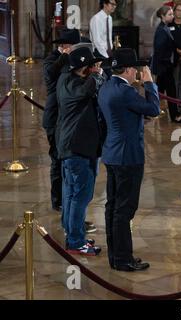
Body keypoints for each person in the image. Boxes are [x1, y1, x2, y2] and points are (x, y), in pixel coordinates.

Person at [98, 48, 160, 271]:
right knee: (125, 209)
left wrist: (136, 121)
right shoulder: (126, 92)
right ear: (127, 69)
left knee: (112, 206)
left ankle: (115, 256)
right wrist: (150, 84)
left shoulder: (106, 87)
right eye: (136, 67)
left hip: (112, 152)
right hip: (128, 157)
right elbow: (154, 108)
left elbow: (113, 118)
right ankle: (124, 259)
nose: (138, 71)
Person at [56, 47, 104, 256]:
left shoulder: (65, 78)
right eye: (92, 65)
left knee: (70, 193)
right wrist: (98, 75)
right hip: (77, 149)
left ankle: (71, 232)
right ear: (85, 68)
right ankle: (75, 241)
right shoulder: (76, 86)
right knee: (80, 195)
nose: (96, 68)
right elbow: (86, 91)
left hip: (70, 147)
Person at [43, 28, 80, 213]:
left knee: (68, 159)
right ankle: (58, 200)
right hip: (54, 118)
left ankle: (67, 198)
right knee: (57, 160)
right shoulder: (52, 59)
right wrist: (64, 57)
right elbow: (50, 74)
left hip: (68, 119)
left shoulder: (73, 59)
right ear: (67, 46)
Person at [151, 5, 181, 123]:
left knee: (158, 91)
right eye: (170, 14)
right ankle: (175, 116)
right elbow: (159, 50)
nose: (173, 16)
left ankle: (148, 110)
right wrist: (166, 64)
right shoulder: (162, 30)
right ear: (162, 16)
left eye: (172, 14)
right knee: (170, 91)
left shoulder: (165, 27)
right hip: (164, 67)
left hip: (165, 66)